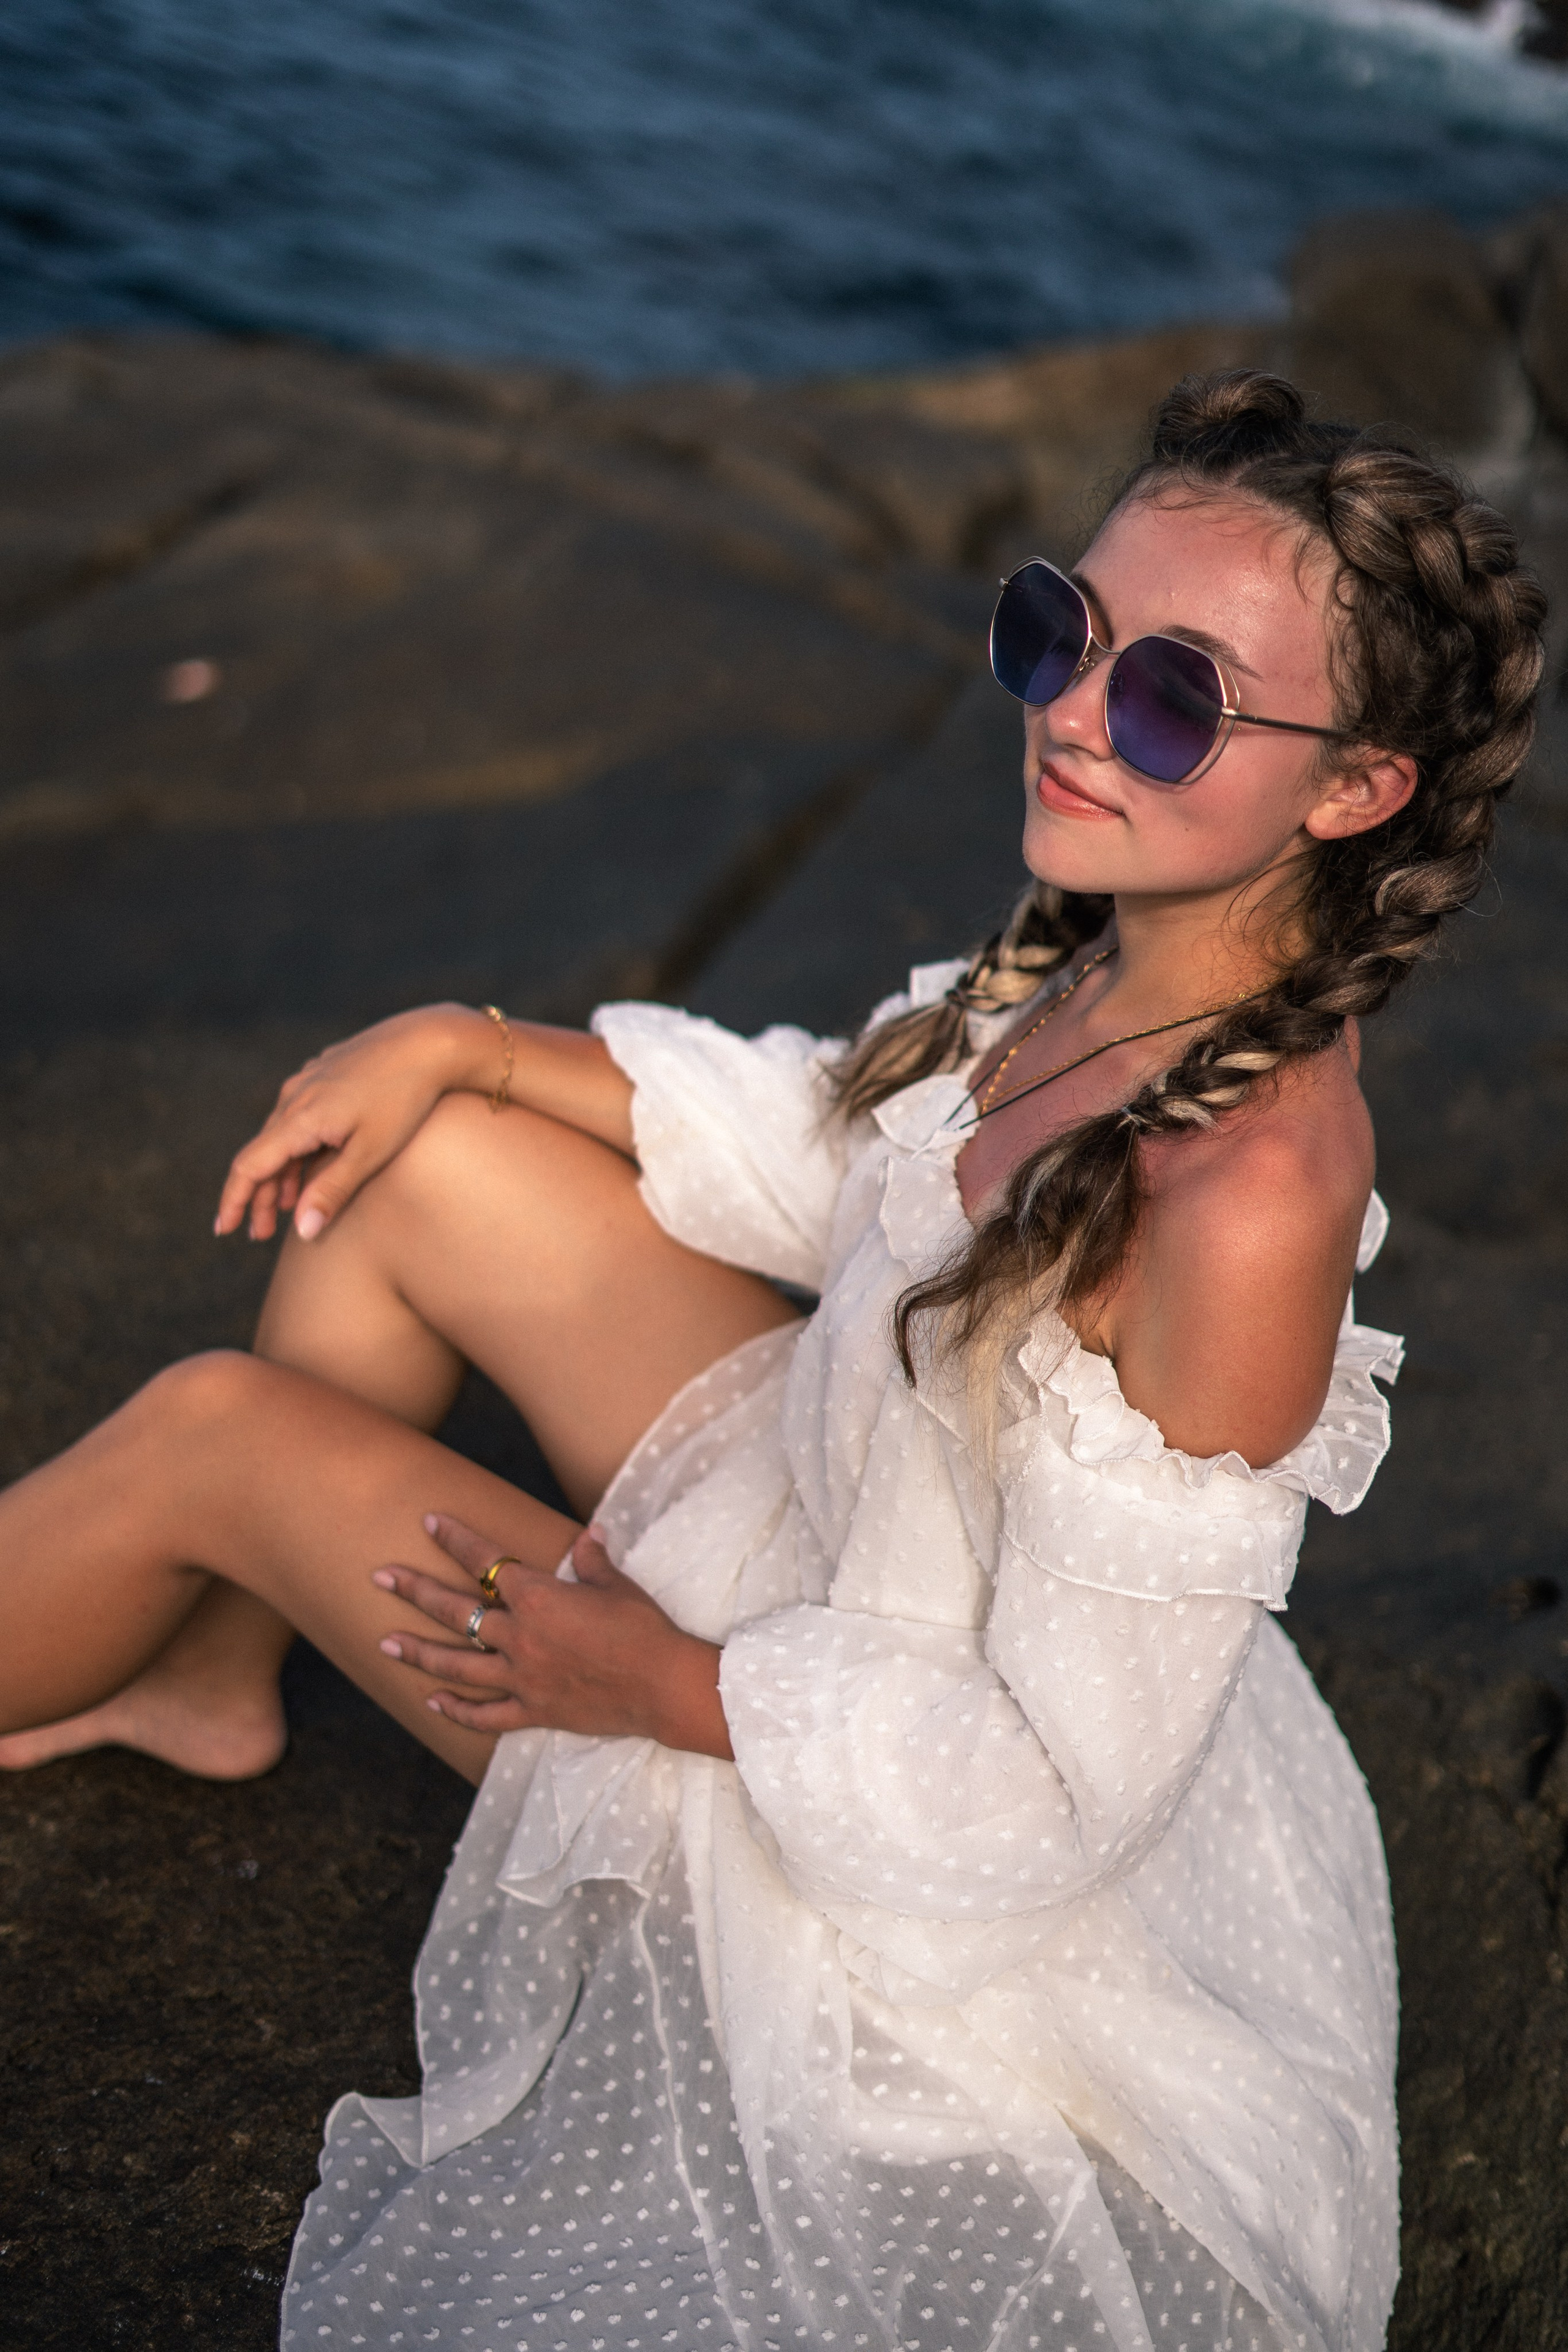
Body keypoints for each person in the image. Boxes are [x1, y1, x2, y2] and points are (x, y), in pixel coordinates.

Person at [0, 370, 1545, 2352]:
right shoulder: (1130, 943)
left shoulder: (1245, 1196)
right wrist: (474, 1040)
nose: (1075, 713)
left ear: (1356, 791)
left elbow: (1059, 1789)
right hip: (847, 1526)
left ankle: (202, 1568)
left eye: (1173, 698)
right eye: (1056, 633)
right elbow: (847, 1150)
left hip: (882, 1827)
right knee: (417, 1163)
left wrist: (644, 1680)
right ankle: (212, 1668)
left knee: (212, 1431)